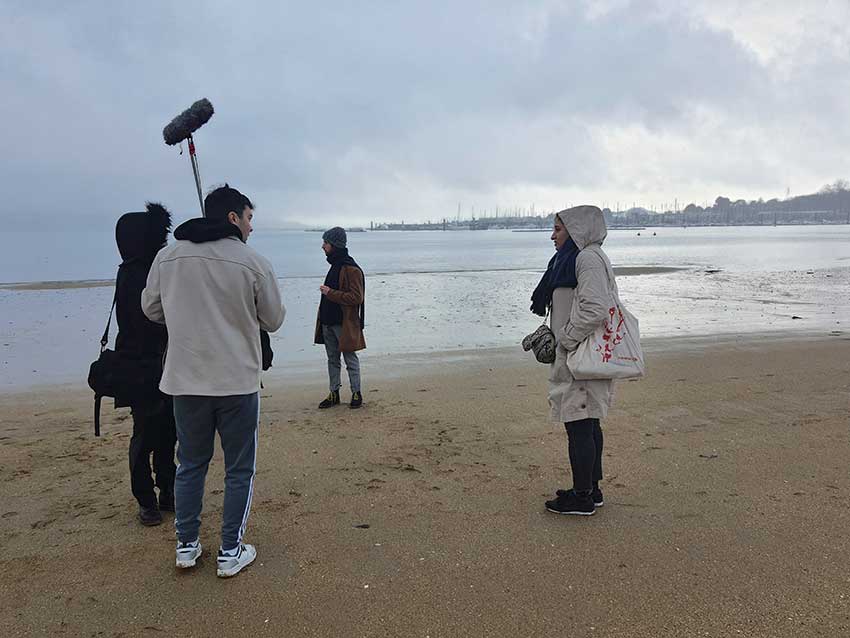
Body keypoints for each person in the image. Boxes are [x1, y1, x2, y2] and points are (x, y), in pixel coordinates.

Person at [142, 184, 285, 577]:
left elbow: (152, 309)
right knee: (239, 468)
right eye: (249, 218)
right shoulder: (253, 262)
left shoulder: (167, 257)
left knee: (190, 463)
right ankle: (229, 550)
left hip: (186, 379)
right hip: (236, 381)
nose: (252, 227)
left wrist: (188, 315)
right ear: (233, 218)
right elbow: (273, 318)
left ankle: (187, 545)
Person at [531, 205, 616, 516]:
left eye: (558, 229)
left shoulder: (586, 258)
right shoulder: (578, 258)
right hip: (582, 352)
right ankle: (591, 490)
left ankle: (582, 496)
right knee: (587, 420)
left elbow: (595, 308)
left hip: (580, 354)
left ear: (577, 230)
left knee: (578, 423)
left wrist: (564, 340)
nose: (552, 236)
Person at [114, 203, 176, 527]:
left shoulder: (144, 269)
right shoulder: (135, 272)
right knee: (148, 433)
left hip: (160, 361)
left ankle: (165, 492)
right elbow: (148, 318)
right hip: (143, 365)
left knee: (166, 431)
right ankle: (148, 498)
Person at [314, 226, 366, 409]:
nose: (323, 246)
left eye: (325, 243)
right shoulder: (335, 265)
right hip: (327, 321)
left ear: (334, 245)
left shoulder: (352, 269)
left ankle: (356, 393)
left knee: (350, 358)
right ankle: (333, 393)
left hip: (344, 323)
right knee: (332, 359)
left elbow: (356, 298)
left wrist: (330, 292)